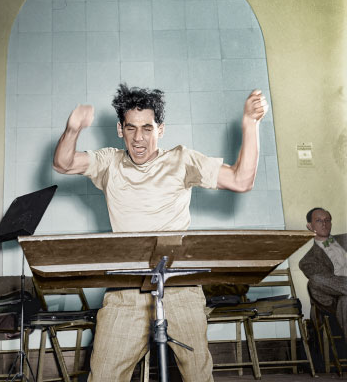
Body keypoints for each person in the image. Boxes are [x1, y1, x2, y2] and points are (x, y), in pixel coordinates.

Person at [52, 83, 268, 382]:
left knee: (197, 375)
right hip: (126, 289)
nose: (138, 138)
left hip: (180, 286)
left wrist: (250, 123)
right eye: (131, 128)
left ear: (161, 129)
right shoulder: (109, 162)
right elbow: (63, 163)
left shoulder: (182, 159)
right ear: (120, 129)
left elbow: (241, 180)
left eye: (147, 128)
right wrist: (73, 129)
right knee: (103, 375)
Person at [298, 207, 347, 332]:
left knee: (345, 301)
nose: (324, 224)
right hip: (334, 300)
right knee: (315, 280)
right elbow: (329, 284)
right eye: (319, 220)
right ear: (310, 226)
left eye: (327, 220)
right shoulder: (308, 260)